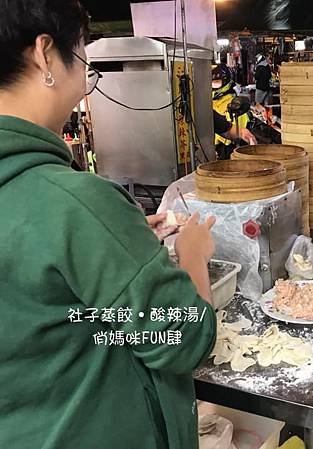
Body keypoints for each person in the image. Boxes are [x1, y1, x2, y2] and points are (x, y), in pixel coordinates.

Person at [0, 1, 217, 448]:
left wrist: (124, 242)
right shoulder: (77, 202)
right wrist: (193, 255)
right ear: (44, 54)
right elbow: (182, 338)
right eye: (82, 57)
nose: (85, 79)